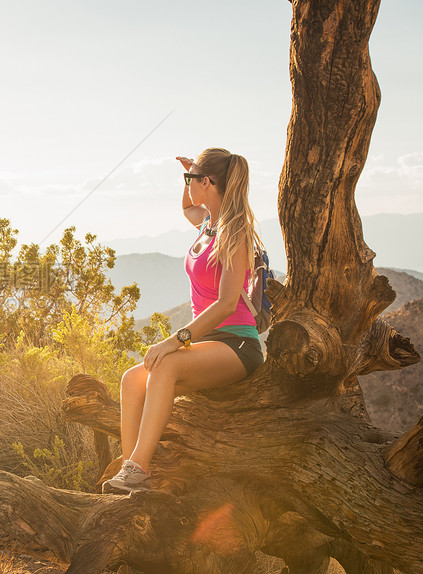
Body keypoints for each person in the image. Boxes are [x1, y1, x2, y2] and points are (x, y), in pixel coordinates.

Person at [102, 148, 265, 494]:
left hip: (236, 344)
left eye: (191, 180)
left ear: (207, 183)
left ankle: (139, 470)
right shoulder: (209, 224)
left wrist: (174, 341)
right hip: (209, 344)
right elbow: (188, 208)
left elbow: (225, 304)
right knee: (132, 380)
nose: (187, 185)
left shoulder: (236, 232)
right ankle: (128, 467)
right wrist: (190, 176)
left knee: (164, 365)